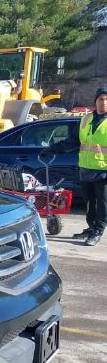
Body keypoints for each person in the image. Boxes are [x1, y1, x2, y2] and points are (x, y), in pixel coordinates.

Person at [70, 85, 107, 246]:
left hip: (103, 171)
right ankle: (91, 227)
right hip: (86, 169)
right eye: (101, 99)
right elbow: (73, 140)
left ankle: (98, 230)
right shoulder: (85, 119)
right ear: (95, 101)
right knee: (89, 202)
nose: (104, 103)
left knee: (103, 204)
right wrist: (54, 148)